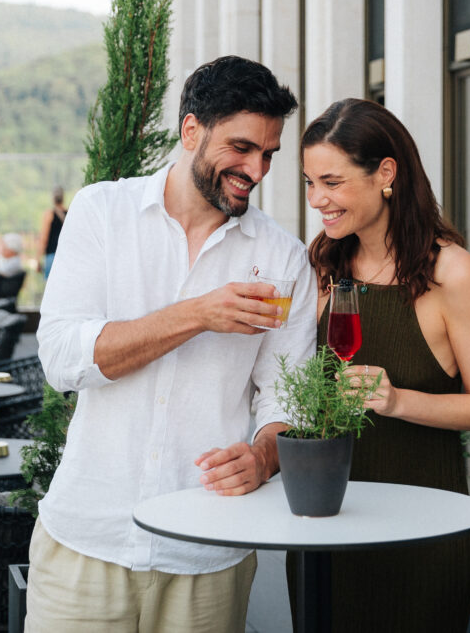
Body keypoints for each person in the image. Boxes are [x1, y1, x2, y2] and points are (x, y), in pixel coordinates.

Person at [29, 56, 315, 633]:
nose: (255, 169)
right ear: (191, 131)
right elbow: (62, 358)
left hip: (208, 553)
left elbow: (288, 400)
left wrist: (264, 456)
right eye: (240, 148)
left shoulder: (285, 257)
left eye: (267, 155)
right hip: (87, 542)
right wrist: (197, 315)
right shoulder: (101, 212)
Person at [295, 98, 470, 632]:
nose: (317, 200)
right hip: (325, 531)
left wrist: (396, 401)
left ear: (385, 173)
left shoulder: (451, 272)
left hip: (421, 537)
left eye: (332, 182)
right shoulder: (320, 262)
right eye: (309, 183)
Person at [38, 186, 66, 280]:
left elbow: (44, 238)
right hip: (66, 256)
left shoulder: (49, 214)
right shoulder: (69, 213)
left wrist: (38, 259)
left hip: (51, 255)